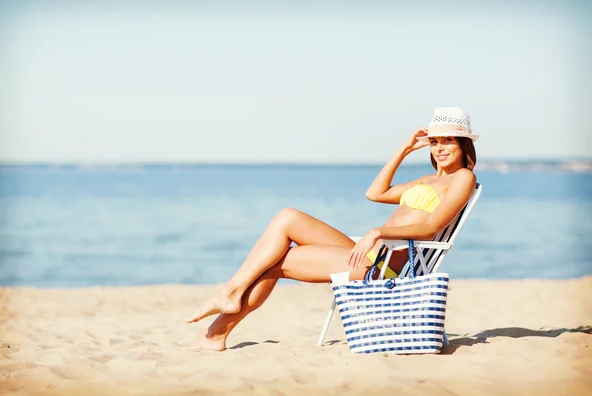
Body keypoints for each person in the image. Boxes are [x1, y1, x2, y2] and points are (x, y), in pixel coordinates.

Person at [186, 107, 479, 351]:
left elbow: (430, 227)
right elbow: (375, 193)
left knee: (273, 261)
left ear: (463, 144)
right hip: (365, 255)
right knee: (288, 217)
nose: (440, 148)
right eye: (435, 141)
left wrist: (378, 232)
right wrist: (403, 150)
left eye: (448, 141)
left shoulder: (463, 178)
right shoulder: (427, 180)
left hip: (382, 267)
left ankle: (217, 331)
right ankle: (230, 294)